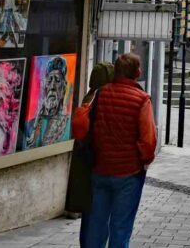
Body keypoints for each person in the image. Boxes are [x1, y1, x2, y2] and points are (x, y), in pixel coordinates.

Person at [73, 53, 156, 248]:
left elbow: (81, 125)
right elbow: (148, 140)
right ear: (137, 73)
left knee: (96, 225)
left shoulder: (100, 94)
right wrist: (144, 161)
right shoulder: (142, 99)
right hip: (129, 173)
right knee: (121, 227)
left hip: (100, 169)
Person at [66, 62, 114, 242]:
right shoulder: (100, 98)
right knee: (98, 213)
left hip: (83, 159)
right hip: (94, 160)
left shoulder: (89, 96)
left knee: (88, 211)